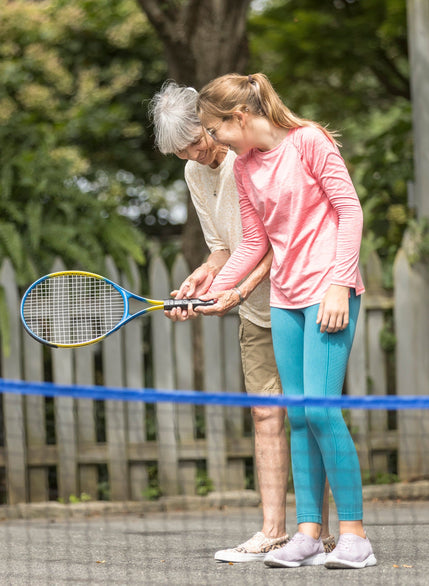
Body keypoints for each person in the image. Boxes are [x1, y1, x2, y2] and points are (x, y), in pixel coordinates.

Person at [195, 72, 376, 570]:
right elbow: (254, 245)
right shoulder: (247, 168)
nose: (213, 140)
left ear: (239, 117)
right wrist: (215, 291)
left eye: (215, 129)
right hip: (284, 297)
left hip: (328, 292)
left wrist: (340, 281)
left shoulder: (309, 142)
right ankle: (308, 535)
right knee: (298, 415)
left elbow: (349, 211)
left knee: (320, 411)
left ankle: (355, 537)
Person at [148, 81, 335, 563]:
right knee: (264, 413)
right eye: (181, 150)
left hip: (301, 297)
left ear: (215, 124)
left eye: (197, 140)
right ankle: (274, 531)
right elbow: (225, 246)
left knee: (311, 413)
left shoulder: (248, 154)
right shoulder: (196, 171)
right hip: (252, 309)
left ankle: (322, 533)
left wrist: (235, 289)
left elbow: (279, 240)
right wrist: (204, 277)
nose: (192, 154)